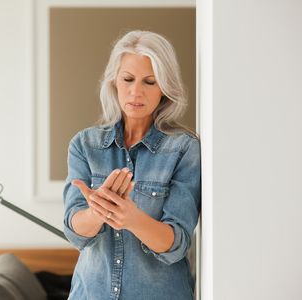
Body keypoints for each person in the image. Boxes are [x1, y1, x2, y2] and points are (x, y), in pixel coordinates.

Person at [63, 30, 201, 300]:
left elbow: (177, 244)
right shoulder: (84, 145)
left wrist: (132, 218)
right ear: (114, 81)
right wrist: (98, 212)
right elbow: (75, 232)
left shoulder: (184, 148)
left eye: (150, 81)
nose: (136, 91)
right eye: (128, 79)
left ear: (164, 88)